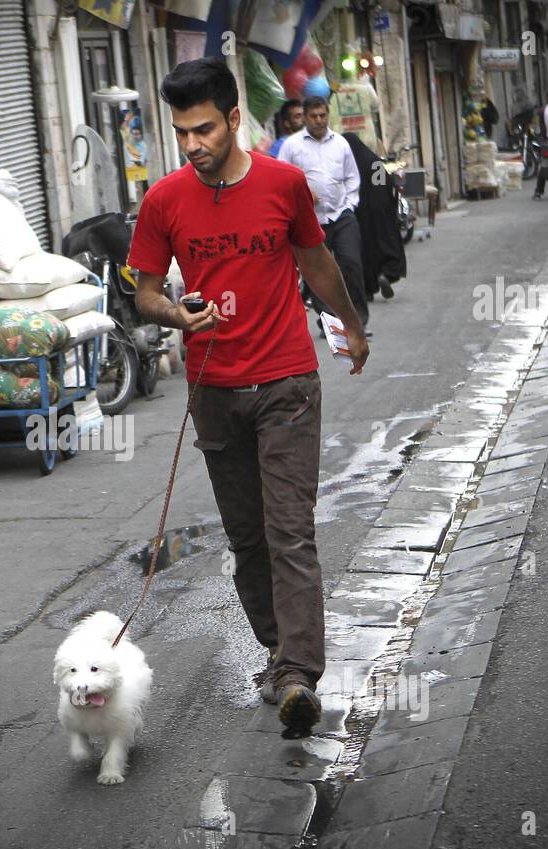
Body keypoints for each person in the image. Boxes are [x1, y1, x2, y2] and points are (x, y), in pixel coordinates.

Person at [128, 58, 369, 739]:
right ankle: (276, 648)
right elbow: (144, 290)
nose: (193, 145)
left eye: (204, 129)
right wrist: (176, 313)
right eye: (182, 132)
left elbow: (316, 262)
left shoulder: (284, 183)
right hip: (213, 390)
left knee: (290, 529)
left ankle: (297, 673)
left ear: (236, 119)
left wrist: (351, 324)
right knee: (248, 536)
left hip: (287, 381)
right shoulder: (164, 200)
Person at [278, 95, 372, 330]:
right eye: (314, 116)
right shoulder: (292, 145)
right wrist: (301, 196)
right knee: (317, 271)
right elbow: (280, 179)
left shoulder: (340, 143)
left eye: (323, 115)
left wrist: (350, 204)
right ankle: (329, 322)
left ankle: (358, 321)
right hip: (310, 219)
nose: (319, 120)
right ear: (306, 117)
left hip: (341, 215)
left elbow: (352, 177)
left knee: (351, 264)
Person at [344, 132, 407, 300]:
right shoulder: (374, 161)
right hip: (382, 212)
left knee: (363, 250)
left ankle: (367, 288)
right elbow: (384, 186)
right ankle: (387, 274)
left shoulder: (348, 165)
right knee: (387, 242)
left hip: (360, 213)